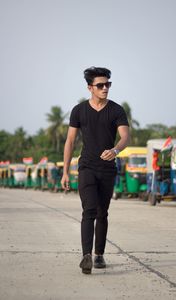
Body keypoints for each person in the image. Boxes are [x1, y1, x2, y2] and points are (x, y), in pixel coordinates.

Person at [61, 67, 130, 274]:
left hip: (107, 169)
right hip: (86, 167)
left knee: (102, 212)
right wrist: (65, 171)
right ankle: (86, 256)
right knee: (89, 210)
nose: (105, 88)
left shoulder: (116, 110)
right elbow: (70, 141)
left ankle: (99, 254)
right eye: (100, 85)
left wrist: (115, 150)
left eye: (108, 84)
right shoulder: (79, 110)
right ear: (90, 87)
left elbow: (126, 137)